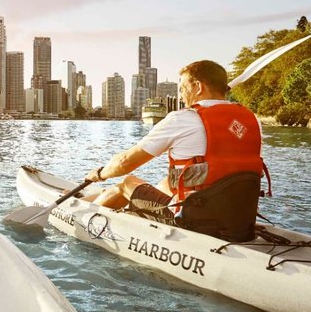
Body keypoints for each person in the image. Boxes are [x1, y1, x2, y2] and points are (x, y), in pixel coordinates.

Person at [83, 60, 269, 240]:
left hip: (197, 220)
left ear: (197, 87)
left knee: (125, 183)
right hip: (238, 218)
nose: (180, 96)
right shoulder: (251, 120)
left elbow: (124, 163)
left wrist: (99, 174)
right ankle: (126, 209)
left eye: (182, 88)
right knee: (164, 184)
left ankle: (81, 218)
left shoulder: (183, 119)